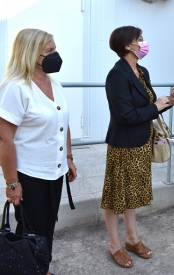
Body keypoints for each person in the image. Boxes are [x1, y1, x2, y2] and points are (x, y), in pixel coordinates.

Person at [101, 26, 174, 268]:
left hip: (141, 143)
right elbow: (126, 115)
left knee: (132, 195)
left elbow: (150, 105)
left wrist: (169, 101)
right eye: (140, 39)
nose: (144, 43)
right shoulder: (116, 75)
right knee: (116, 196)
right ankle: (115, 245)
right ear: (128, 45)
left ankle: (132, 239)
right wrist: (157, 105)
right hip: (123, 145)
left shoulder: (141, 70)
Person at [0, 28, 77, 275]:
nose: (56, 55)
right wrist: (12, 184)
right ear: (31, 54)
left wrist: (68, 158)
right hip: (30, 175)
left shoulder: (54, 83)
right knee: (30, 230)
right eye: (50, 51)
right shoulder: (16, 88)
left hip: (54, 172)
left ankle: (41, 269)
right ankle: (30, 269)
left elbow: (62, 120)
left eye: (55, 49)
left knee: (47, 225)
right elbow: (4, 141)